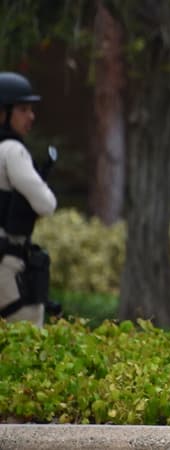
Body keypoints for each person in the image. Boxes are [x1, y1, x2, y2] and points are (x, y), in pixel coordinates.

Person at [0, 71, 57, 327]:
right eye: (23, 109)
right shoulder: (13, 151)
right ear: (3, 113)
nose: (30, 116)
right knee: (27, 343)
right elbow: (46, 204)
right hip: (9, 266)